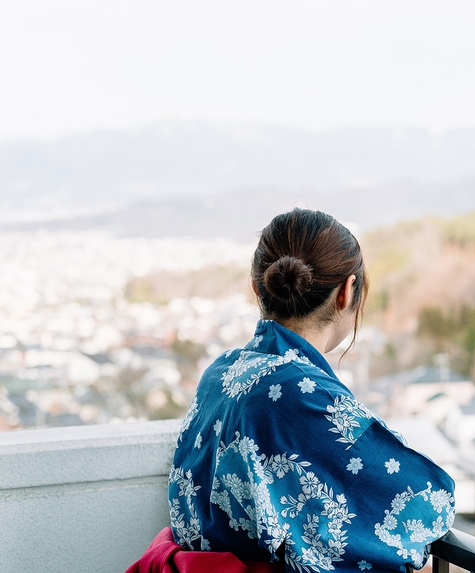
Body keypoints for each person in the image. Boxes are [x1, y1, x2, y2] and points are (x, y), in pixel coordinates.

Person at [169, 209, 455, 572]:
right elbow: (426, 501)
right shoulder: (298, 394)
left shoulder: (221, 371)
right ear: (347, 291)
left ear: (258, 286)